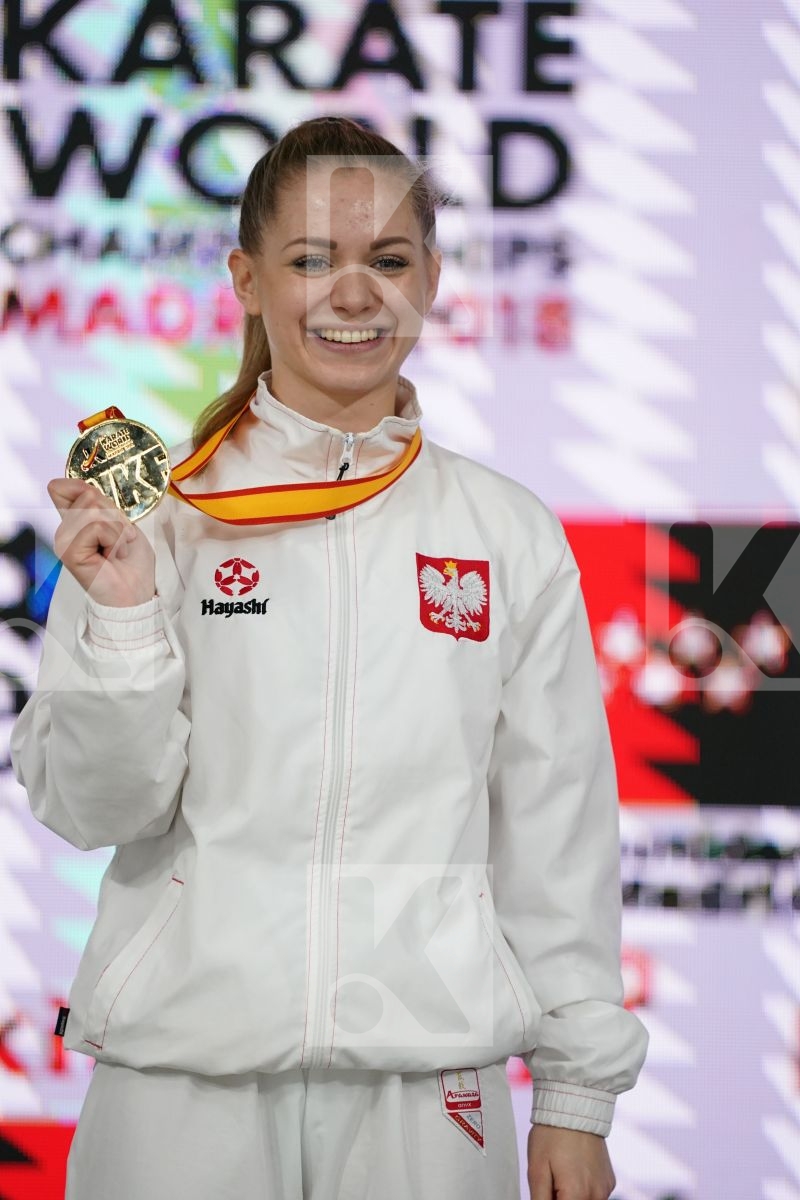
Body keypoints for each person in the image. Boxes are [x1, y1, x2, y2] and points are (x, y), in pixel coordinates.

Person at [11, 116, 648, 1200]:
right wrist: (118, 615)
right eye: (311, 260)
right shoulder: (153, 515)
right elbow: (89, 806)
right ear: (247, 279)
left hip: (427, 1079)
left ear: (431, 278)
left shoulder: (503, 530)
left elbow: (555, 826)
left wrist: (575, 1096)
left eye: (387, 261)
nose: (353, 295)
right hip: (182, 1077)